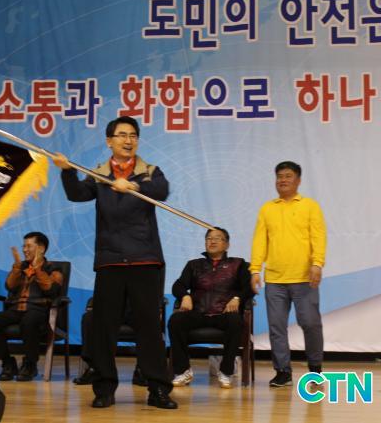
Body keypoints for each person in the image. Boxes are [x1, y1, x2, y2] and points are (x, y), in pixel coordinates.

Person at [53, 115, 177, 409]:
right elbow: (77, 194)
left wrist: (132, 186)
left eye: (133, 135)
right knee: (103, 328)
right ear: (109, 141)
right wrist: (68, 171)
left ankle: (158, 389)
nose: (128, 140)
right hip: (110, 261)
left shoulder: (149, 172)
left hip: (145, 260)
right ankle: (104, 389)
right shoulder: (99, 175)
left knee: (149, 328)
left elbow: (161, 191)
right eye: (122, 135)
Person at [250, 161, 326, 387]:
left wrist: (317, 263)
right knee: (276, 328)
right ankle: (283, 371)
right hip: (275, 280)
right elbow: (259, 241)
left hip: (304, 278)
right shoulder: (267, 208)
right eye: (279, 176)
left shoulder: (310, 206)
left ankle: (315, 369)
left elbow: (318, 236)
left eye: (288, 176)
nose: (282, 180)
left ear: (298, 180)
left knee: (311, 324)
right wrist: (255, 269)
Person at [168, 227, 252, 388]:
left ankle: (226, 372)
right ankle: (183, 370)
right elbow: (178, 285)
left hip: (225, 314)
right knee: (176, 320)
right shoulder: (194, 265)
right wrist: (185, 296)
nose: (212, 241)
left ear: (227, 245)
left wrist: (237, 298)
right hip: (198, 313)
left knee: (235, 322)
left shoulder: (238, 264)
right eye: (209, 238)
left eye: (217, 238)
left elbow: (249, 287)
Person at [0, 231, 63, 382]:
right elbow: (9, 286)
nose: (25, 250)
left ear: (41, 248)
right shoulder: (21, 267)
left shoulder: (54, 269)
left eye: (29, 246)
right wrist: (17, 269)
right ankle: (7, 363)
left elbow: (51, 289)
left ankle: (30, 364)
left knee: (29, 321)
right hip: (15, 310)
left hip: (38, 310)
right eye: (23, 246)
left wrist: (37, 269)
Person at [74, 301, 147, 387]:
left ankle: (142, 370)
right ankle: (93, 368)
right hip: (111, 310)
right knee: (88, 317)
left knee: (148, 317)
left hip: (136, 311)